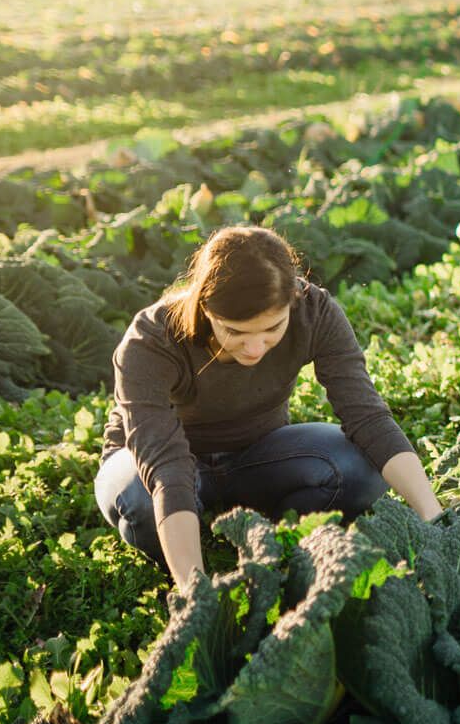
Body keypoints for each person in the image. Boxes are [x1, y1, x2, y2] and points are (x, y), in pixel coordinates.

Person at [94, 225, 441, 592]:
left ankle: (261, 530)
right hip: (152, 464)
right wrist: (194, 592)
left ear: (294, 296)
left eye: (272, 329)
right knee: (140, 502)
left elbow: (367, 416)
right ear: (205, 307)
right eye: (236, 333)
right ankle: (188, 547)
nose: (255, 349)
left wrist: (434, 519)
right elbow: (164, 465)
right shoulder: (151, 339)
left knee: (360, 469)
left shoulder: (315, 312)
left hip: (256, 454)